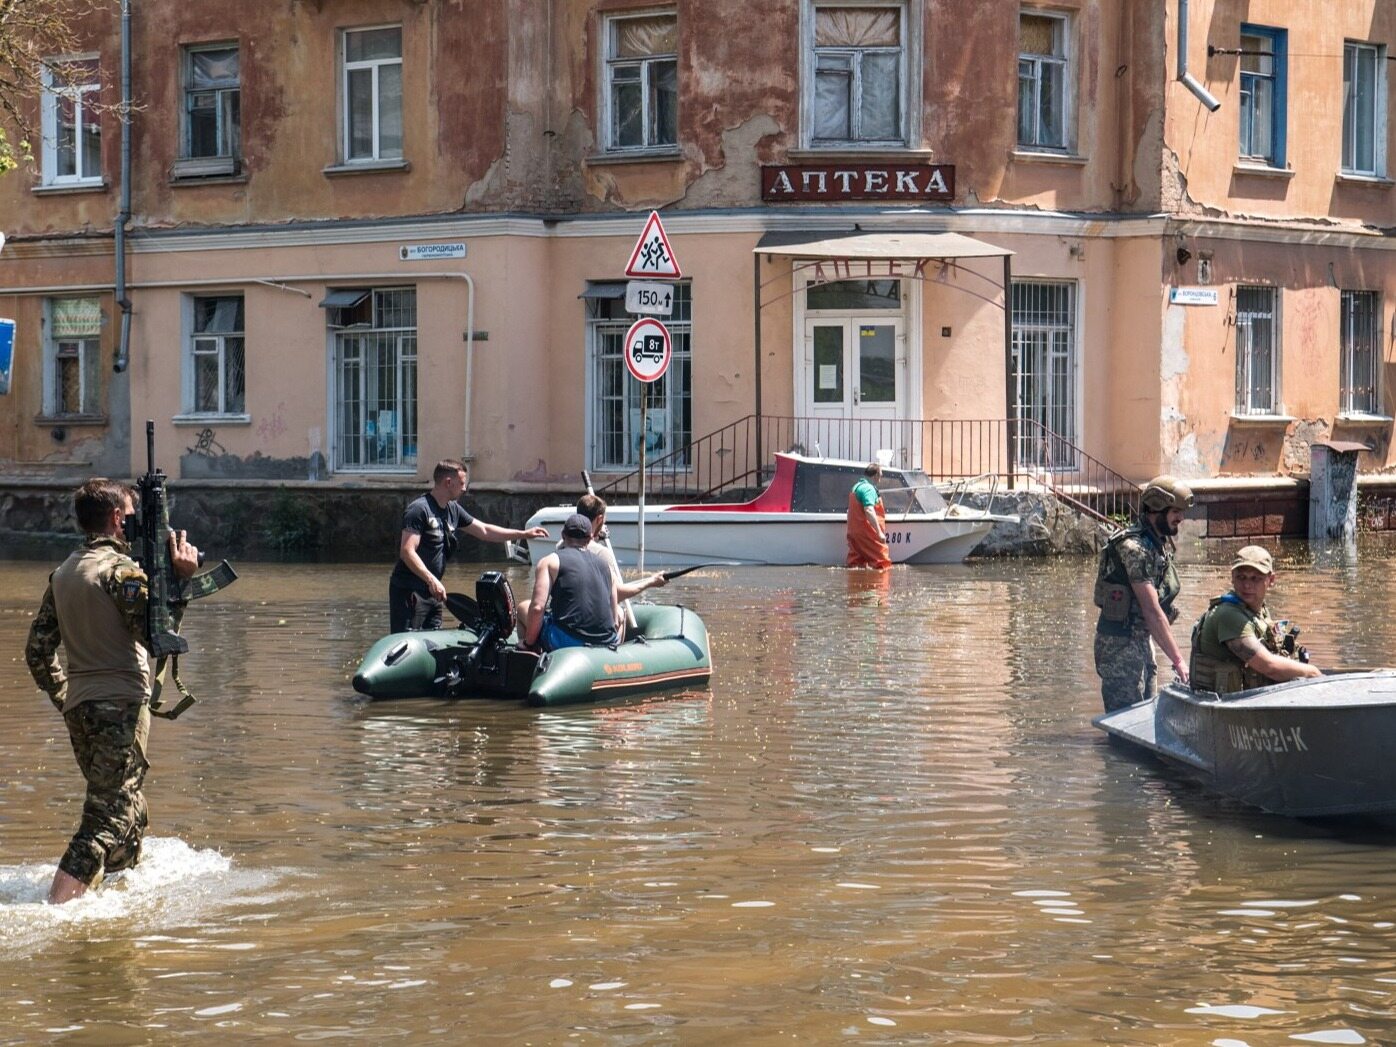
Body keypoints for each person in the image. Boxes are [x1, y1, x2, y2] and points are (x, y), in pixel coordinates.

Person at [24, 478, 201, 904]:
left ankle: (115, 897)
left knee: (131, 810)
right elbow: (154, 635)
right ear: (118, 519)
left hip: (82, 709)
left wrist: (66, 696)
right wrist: (180, 581)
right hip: (117, 706)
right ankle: (57, 911)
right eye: (131, 517)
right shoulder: (119, 571)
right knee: (109, 816)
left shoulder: (66, 571)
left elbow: (37, 650)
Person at [389, 459, 548, 632]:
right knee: (406, 642)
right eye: (462, 483)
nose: (464, 488)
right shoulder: (419, 510)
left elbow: (485, 530)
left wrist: (523, 534)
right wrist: (431, 579)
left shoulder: (453, 510)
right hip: (409, 591)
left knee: (432, 641)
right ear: (448, 483)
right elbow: (407, 551)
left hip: (433, 591)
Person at [1093, 475, 1192, 712]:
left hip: (1141, 642)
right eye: (1175, 511)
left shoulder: (1154, 544)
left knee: (1146, 719)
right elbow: (1151, 610)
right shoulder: (1133, 548)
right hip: (1120, 648)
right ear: (1156, 509)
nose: (1181, 517)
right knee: (1125, 725)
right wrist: (1179, 662)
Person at [1189, 545, 1322, 694]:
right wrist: (1313, 673)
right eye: (1241, 577)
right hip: (1225, 706)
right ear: (1232, 577)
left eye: (1255, 578)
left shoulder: (1258, 611)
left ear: (1271, 580)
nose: (1247, 585)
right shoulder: (1228, 615)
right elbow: (1268, 666)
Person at [522, 513, 621, 651]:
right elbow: (615, 621)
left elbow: (538, 608)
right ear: (590, 538)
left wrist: (529, 642)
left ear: (563, 535)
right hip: (607, 642)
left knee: (523, 607)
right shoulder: (607, 568)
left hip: (568, 641)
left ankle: (529, 655)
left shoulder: (550, 561)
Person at [847, 462, 892, 569]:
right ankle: (882, 585)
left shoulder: (856, 487)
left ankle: (855, 585)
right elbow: (869, 510)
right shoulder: (868, 489)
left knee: (856, 565)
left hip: (854, 534)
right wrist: (879, 533)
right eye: (880, 475)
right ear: (875, 475)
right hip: (868, 535)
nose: (880, 479)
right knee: (882, 564)